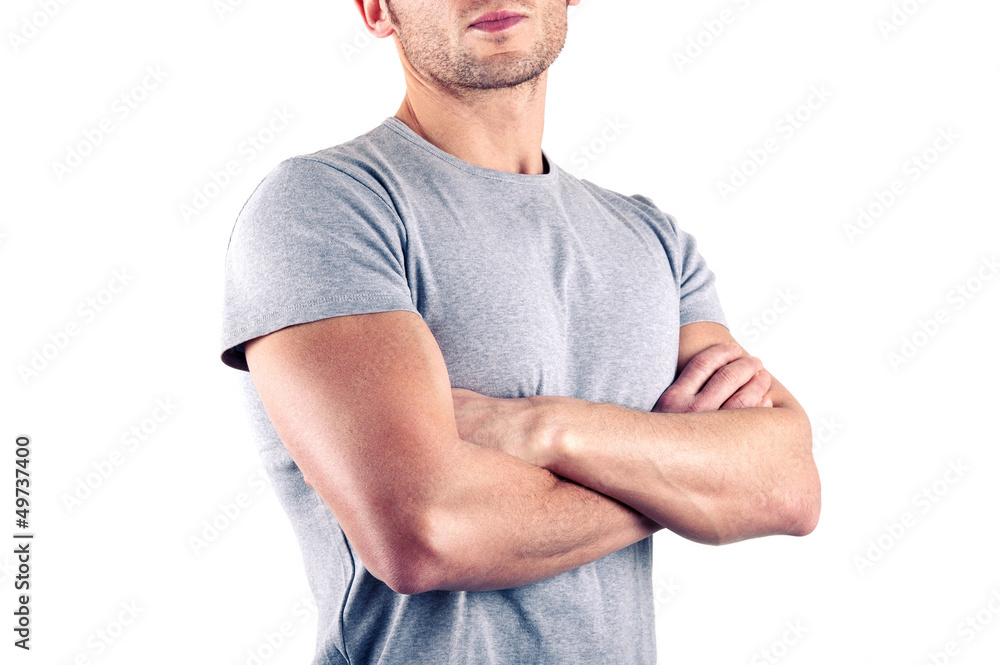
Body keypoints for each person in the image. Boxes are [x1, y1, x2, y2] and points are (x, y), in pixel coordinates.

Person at [219, 1, 821, 663]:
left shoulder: (653, 240)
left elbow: (788, 485)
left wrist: (543, 427)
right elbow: (426, 534)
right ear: (375, 9)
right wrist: (685, 479)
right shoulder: (325, 208)